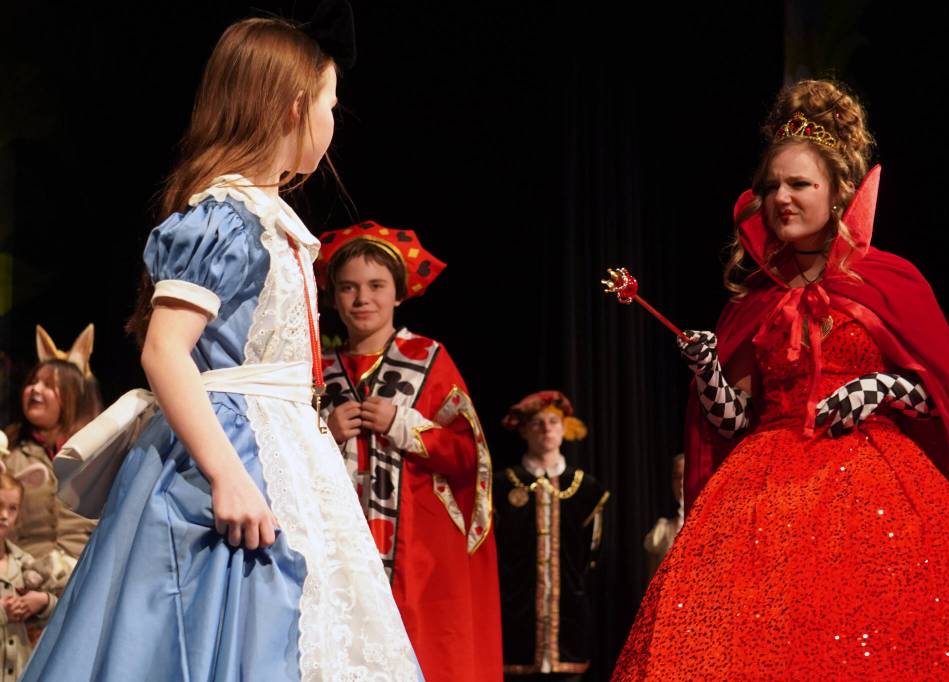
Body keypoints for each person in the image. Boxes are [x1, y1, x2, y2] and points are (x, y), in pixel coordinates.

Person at [21, 17, 420, 681]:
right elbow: (165, 350)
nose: (331, 118)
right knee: (223, 625)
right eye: (329, 103)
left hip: (283, 447)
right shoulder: (225, 218)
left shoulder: (265, 219)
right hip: (235, 449)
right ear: (294, 107)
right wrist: (228, 473)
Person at [613, 80, 949, 680]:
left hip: (876, 493)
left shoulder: (889, 280)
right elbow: (733, 421)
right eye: (772, 185)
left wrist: (881, 389)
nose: (781, 197)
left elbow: (942, 400)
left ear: (837, 193)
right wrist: (707, 371)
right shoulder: (751, 304)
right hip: (764, 499)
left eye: (799, 183)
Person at [317, 223, 502, 681]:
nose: (363, 298)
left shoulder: (429, 358)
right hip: (338, 549)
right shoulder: (317, 371)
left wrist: (404, 426)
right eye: (349, 287)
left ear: (398, 293)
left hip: (418, 558)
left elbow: (469, 458)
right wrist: (324, 432)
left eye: (376, 285)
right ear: (334, 297)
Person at [494, 390, 609, 679]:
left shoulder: (586, 489)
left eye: (554, 422)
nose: (546, 429)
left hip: (569, 614)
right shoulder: (501, 486)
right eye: (537, 423)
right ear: (523, 430)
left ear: (565, 429)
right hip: (516, 615)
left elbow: (591, 556)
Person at [1, 325, 101, 591]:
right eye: (32, 382)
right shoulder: (8, 453)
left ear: (75, 395)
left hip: (86, 581)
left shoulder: (99, 452)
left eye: (49, 385)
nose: (35, 390)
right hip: (23, 584)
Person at [0, 469, 58, 682]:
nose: (4, 516)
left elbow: (58, 610)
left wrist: (42, 602)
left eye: (12, 509)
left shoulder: (24, 562)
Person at [642, 453, 684, 582]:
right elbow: (651, 586)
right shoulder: (662, 531)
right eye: (677, 477)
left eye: (685, 476)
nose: (682, 483)